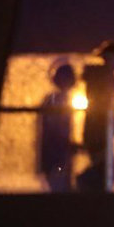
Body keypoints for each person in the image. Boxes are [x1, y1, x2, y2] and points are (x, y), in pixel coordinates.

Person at [77, 41, 114, 192]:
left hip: (96, 128)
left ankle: (86, 188)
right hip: (99, 129)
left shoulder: (99, 76)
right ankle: (83, 186)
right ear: (110, 57)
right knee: (105, 170)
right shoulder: (104, 77)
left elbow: (106, 106)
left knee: (104, 169)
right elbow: (106, 106)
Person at [38, 62, 77, 192]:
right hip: (55, 156)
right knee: (60, 191)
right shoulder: (56, 99)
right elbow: (55, 127)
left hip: (57, 156)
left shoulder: (58, 99)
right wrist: (67, 144)